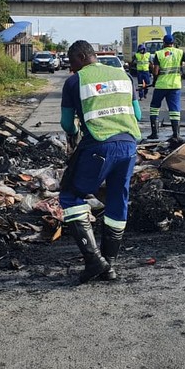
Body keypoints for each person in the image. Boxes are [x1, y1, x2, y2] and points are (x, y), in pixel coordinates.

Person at [60, 40, 141, 283]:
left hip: (98, 145)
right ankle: (110, 264)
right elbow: (137, 115)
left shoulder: (75, 81)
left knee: (70, 196)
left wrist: (77, 126)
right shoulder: (123, 76)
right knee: (118, 198)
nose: (72, 69)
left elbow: (66, 124)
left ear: (83, 56)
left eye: (73, 63)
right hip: (128, 146)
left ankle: (94, 261)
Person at [148, 33, 185, 141]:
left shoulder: (159, 54)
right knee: (174, 110)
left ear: (164, 43)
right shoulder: (180, 52)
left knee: (154, 108)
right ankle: (176, 134)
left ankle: (154, 133)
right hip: (175, 86)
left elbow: (155, 71)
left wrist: (154, 81)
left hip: (161, 85)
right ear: (173, 43)